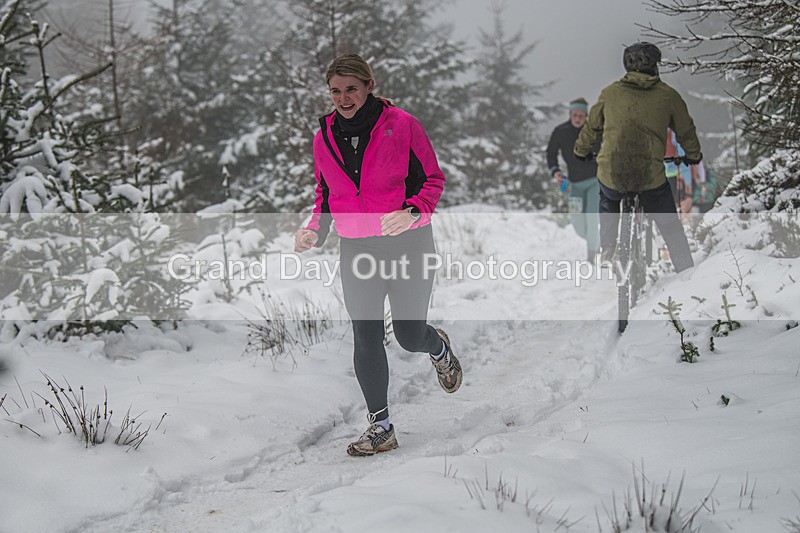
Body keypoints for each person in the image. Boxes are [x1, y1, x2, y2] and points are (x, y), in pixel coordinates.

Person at [293, 54, 463, 457]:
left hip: (408, 244)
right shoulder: (324, 136)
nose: (343, 98)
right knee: (365, 334)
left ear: (370, 86)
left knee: (408, 335)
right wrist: (314, 229)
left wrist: (412, 212)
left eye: (351, 89)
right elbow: (326, 193)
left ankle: (437, 347)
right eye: (335, 91)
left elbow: (433, 180)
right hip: (357, 247)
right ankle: (381, 426)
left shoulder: (402, 125)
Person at [573, 42, 702, 273]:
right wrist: (693, 155)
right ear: (654, 66)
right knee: (670, 226)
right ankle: (686, 272)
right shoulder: (668, 95)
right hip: (650, 178)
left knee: (608, 199)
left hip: (613, 172)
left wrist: (581, 151)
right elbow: (686, 131)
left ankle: (608, 248)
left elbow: (591, 128)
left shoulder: (610, 93)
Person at [546, 97, 601, 262]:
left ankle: (591, 256)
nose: (578, 119)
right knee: (578, 224)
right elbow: (551, 152)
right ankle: (597, 242)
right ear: (570, 114)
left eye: (581, 116)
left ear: (586, 116)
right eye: (575, 115)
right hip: (575, 184)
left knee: (592, 217)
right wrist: (555, 171)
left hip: (595, 181)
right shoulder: (560, 131)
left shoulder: (594, 131)